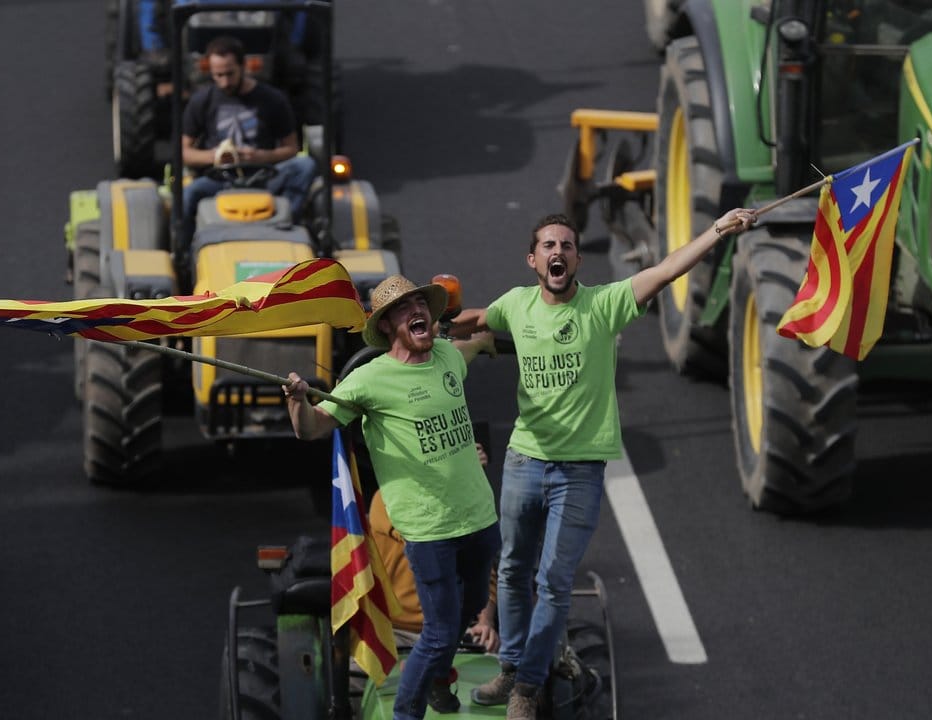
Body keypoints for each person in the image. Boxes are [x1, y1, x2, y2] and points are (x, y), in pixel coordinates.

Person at [450, 207, 757, 719]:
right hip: (525, 462)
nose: (557, 253)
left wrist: (717, 230)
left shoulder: (604, 305)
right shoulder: (516, 306)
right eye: (548, 246)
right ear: (533, 259)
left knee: (552, 581)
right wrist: (417, 325)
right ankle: (511, 664)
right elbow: (477, 319)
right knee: (511, 570)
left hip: (580, 472)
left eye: (567, 246)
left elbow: (664, 271)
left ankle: (526, 686)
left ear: (577, 258)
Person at [284, 274, 500, 720]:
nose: (417, 310)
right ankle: (407, 713)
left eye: (421, 302)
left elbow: (476, 342)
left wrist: (498, 336)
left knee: (473, 606)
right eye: (404, 308)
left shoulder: (447, 356)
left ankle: (439, 678)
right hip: (429, 530)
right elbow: (311, 429)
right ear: (386, 326)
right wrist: (297, 401)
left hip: (479, 519)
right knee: (440, 635)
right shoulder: (368, 381)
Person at [364, 443, 500, 713]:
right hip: (396, 635)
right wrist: (465, 477)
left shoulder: (463, 510)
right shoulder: (387, 500)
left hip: (456, 635)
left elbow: (483, 569)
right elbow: (434, 546)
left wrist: (485, 622)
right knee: (352, 687)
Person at [180, 35, 316, 241]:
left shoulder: (272, 100)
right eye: (218, 75)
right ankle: (186, 248)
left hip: (264, 176)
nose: (224, 82)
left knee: (305, 165)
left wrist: (260, 156)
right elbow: (185, 152)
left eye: (229, 74)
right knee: (188, 194)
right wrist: (215, 157)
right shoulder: (202, 101)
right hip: (220, 179)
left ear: (243, 66)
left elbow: (291, 148)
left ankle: (287, 223)